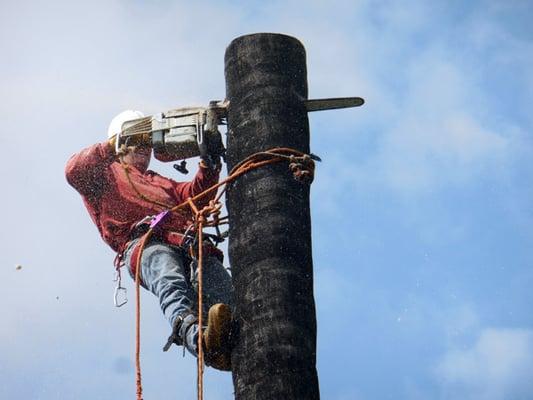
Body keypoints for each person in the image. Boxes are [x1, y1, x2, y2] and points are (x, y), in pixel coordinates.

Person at [65, 110, 234, 371]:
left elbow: (194, 196)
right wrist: (111, 145)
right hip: (146, 244)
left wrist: (208, 163)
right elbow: (74, 170)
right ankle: (198, 338)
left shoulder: (159, 181)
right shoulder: (102, 175)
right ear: (121, 144)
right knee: (170, 281)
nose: (144, 147)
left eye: (147, 142)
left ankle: (234, 342)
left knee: (222, 288)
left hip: (189, 243)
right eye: (137, 141)